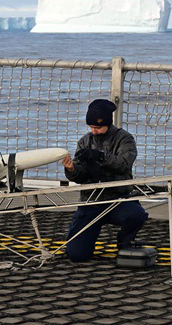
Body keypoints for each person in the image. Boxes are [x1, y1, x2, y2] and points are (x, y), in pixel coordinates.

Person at [61, 99, 148, 262]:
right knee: (76, 255)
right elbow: (80, 176)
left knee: (137, 215)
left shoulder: (125, 139)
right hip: (91, 201)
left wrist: (101, 156)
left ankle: (125, 242)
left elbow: (124, 164)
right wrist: (71, 169)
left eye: (98, 127)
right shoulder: (84, 141)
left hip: (118, 199)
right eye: (91, 127)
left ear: (108, 123)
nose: (94, 131)